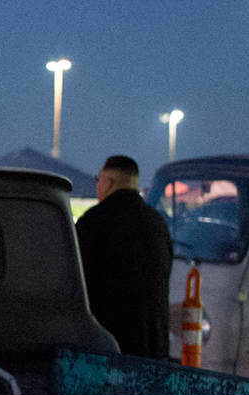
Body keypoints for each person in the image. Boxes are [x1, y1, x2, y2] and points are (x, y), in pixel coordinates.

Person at [74, 154, 174, 359]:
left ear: (108, 182)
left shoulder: (93, 222)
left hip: (108, 351)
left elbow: (74, 283)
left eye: (98, 179)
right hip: (153, 351)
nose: (98, 185)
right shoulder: (158, 224)